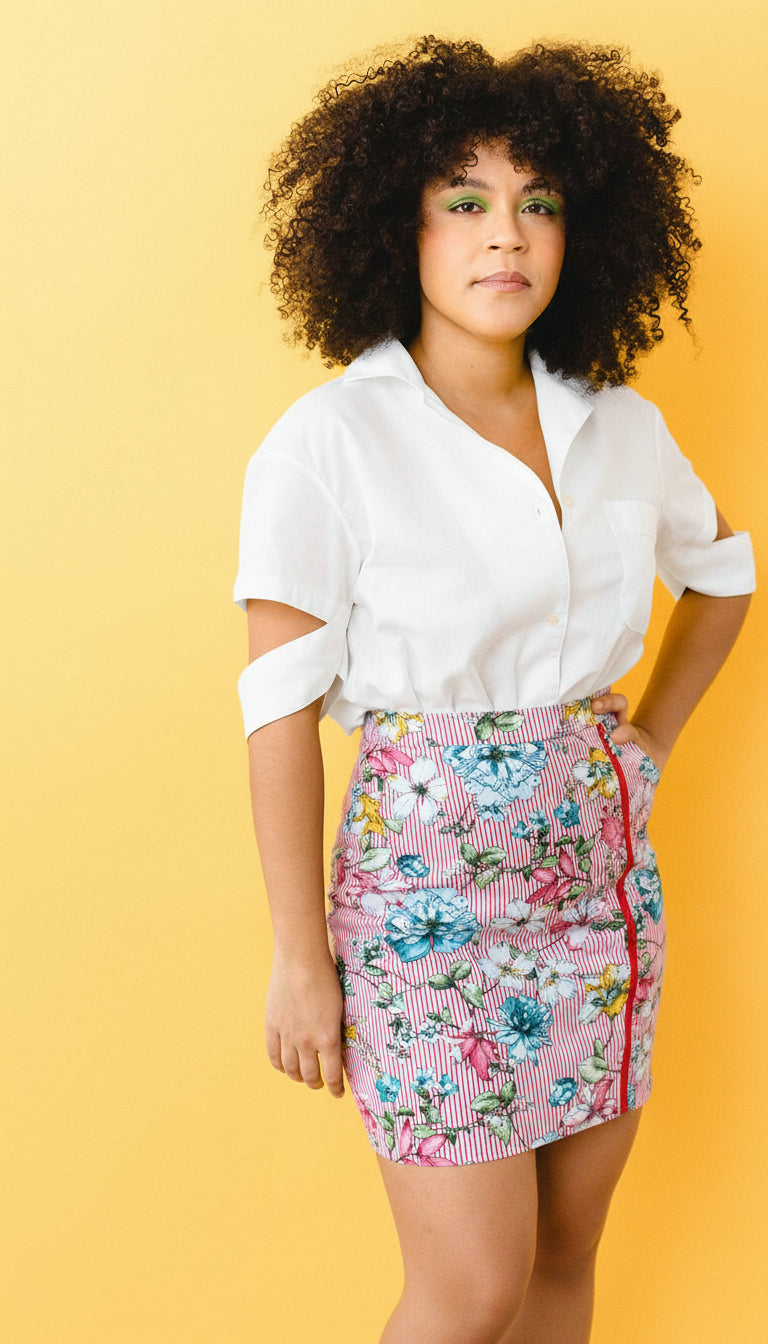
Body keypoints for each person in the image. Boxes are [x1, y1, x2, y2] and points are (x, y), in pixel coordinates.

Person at [233, 35, 755, 1344]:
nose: (505, 234)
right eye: (464, 201)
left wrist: (649, 740)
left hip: (602, 892)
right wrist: (300, 957)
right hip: (425, 911)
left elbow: (722, 577)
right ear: (395, 226)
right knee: (469, 1289)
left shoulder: (620, 425)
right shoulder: (327, 443)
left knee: (563, 1258)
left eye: (539, 202)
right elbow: (278, 711)